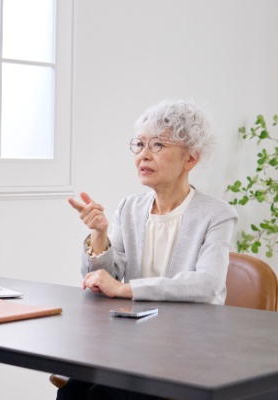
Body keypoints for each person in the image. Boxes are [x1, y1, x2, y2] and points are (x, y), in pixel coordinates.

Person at [58, 100, 238, 400]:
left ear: (190, 159)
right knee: (73, 390)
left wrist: (124, 290)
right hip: (132, 344)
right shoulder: (129, 207)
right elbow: (102, 280)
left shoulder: (217, 214)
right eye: (139, 144)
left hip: (188, 351)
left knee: (106, 395)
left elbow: (207, 284)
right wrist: (99, 234)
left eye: (157, 145)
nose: (143, 154)